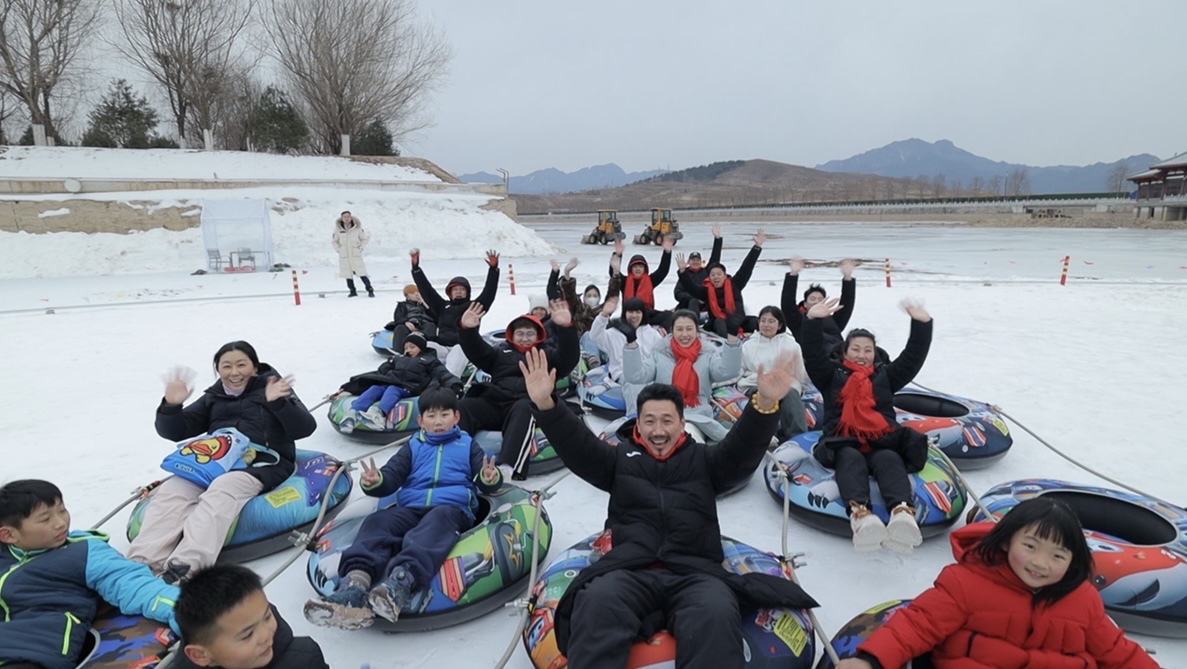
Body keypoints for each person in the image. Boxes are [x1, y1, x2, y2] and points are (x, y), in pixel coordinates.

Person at [520, 348, 818, 669]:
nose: (658, 430)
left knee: (715, 612)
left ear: (682, 423)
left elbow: (742, 450)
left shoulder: (704, 461)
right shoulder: (619, 461)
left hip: (695, 572)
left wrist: (765, 404)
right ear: (638, 423)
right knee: (597, 602)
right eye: (649, 421)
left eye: (667, 420)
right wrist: (547, 404)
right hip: (630, 570)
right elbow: (578, 446)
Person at [837, 497, 1161, 669]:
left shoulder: (1083, 599)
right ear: (1007, 541)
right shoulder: (967, 583)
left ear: (1073, 560)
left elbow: (1116, 651)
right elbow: (918, 625)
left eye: (1058, 555)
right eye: (1030, 546)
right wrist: (871, 660)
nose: (1041, 563)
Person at [303, 387, 503, 629]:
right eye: (431, 416)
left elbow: (484, 476)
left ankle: (400, 583)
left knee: (434, 526)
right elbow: (393, 474)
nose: (438, 422)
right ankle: (354, 587)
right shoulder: (413, 446)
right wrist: (376, 481)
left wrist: (489, 477)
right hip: (412, 507)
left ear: (456, 417)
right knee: (378, 522)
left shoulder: (467, 445)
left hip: (451, 508)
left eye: (444, 415)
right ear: (421, 420)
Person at [128, 341, 317, 581]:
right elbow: (177, 430)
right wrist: (171, 407)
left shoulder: (273, 389)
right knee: (174, 490)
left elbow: (304, 428)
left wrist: (277, 404)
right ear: (218, 369)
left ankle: (184, 570)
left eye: (241, 365)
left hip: (263, 464)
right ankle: (140, 564)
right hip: (216, 461)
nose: (234, 372)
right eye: (226, 366)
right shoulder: (214, 397)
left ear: (255, 367)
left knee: (223, 489)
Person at [0, 479, 181, 669]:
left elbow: (135, 585)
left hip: (30, 654)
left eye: (62, 510)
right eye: (45, 519)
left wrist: (186, 611)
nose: (61, 523)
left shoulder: (84, 553)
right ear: (8, 535)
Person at [803, 298, 932, 554]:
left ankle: (901, 513)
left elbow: (912, 358)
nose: (862, 355)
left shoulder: (885, 376)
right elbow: (813, 353)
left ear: (875, 353)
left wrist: (922, 324)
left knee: (889, 458)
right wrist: (812, 320)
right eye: (856, 349)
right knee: (850, 458)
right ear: (845, 352)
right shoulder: (830, 375)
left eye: (867, 350)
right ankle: (861, 515)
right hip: (843, 440)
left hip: (881, 439)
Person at [457, 300, 580, 479]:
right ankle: (456, 457)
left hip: (526, 404)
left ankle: (508, 468)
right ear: (511, 335)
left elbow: (568, 358)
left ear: (538, 335)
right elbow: (477, 351)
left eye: (530, 334)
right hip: (496, 402)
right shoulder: (500, 352)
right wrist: (467, 330)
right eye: (520, 333)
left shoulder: (547, 354)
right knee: (465, 406)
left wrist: (566, 328)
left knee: (526, 407)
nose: (524, 338)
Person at [175, 565, 329, 669]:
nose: (265, 636)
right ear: (200, 655)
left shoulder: (305, 659)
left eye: (267, 617)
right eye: (248, 635)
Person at [623, 309, 741, 442]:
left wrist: (732, 338)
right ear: (672, 331)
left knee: (686, 437)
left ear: (697, 331)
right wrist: (631, 343)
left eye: (689, 329)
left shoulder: (707, 355)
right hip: (663, 415)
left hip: (696, 416)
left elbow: (728, 371)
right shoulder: (659, 354)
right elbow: (635, 375)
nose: (684, 334)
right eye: (679, 329)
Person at [337, 333, 463, 431]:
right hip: (391, 382)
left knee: (392, 390)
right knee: (375, 387)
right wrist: (349, 386)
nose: (408, 350)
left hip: (411, 387)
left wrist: (455, 386)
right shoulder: (398, 359)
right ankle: (352, 414)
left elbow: (442, 373)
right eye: (406, 347)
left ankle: (379, 415)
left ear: (421, 348)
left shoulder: (429, 360)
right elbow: (378, 373)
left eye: (412, 347)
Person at [411, 247, 500, 377]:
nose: (458, 292)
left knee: (459, 350)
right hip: (443, 346)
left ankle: (449, 383)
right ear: (450, 292)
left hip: (463, 347)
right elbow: (427, 290)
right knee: (423, 345)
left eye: (462, 289)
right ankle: (414, 377)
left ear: (467, 292)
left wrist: (493, 271)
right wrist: (416, 270)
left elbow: (489, 292)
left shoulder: (474, 307)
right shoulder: (442, 306)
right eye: (455, 289)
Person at [675, 229, 765, 337]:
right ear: (709, 277)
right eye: (713, 275)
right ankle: (729, 342)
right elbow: (691, 287)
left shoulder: (735, 284)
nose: (716, 277)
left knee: (756, 322)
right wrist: (683, 272)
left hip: (738, 320)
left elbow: (746, 268)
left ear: (725, 275)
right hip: (718, 322)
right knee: (720, 322)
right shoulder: (706, 290)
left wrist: (757, 247)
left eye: (719, 274)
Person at [738, 306, 809, 442]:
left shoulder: (791, 344)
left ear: (780, 324)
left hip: (784, 384)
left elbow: (800, 373)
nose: (766, 325)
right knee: (766, 394)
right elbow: (737, 371)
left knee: (790, 393)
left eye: (771, 321)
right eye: (763, 321)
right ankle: (769, 437)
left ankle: (798, 439)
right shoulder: (748, 345)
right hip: (755, 383)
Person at [588, 294, 665, 413]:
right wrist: (604, 315)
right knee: (634, 383)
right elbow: (595, 336)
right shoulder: (614, 333)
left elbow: (662, 355)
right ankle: (635, 417)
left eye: (638, 312)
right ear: (625, 313)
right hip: (624, 375)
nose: (634, 316)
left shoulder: (652, 333)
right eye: (631, 312)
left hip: (647, 374)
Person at [782, 257, 857, 350]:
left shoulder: (833, 321)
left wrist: (847, 277)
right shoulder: (797, 322)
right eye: (812, 299)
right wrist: (793, 274)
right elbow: (787, 304)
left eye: (820, 299)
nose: (816, 302)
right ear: (805, 304)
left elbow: (846, 306)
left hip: (835, 355)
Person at [610, 236, 673, 328]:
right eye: (635, 267)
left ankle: (662, 332)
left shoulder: (651, 280)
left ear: (645, 268)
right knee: (612, 323)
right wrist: (617, 255)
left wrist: (667, 253)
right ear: (630, 269)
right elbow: (614, 273)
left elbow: (663, 270)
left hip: (647, 316)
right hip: (629, 316)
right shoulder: (624, 281)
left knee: (668, 316)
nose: (638, 269)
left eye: (640, 266)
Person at [673, 222, 723, 313]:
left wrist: (717, 239)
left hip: (706, 305)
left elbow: (715, 258)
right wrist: (692, 297)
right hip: (689, 306)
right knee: (693, 301)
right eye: (693, 260)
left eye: (697, 260)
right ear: (689, 262)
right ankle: (693, 319)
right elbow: (678, 293)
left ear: (701, 262)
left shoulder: (706, 272)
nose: (695, 262)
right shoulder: (685, 275)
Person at [332, 210, 373, 297]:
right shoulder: (338, 230)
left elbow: (364, 239)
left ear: (351, 217)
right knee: (348, 275)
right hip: (345, 256)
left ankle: (370, 290)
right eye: (344, 217)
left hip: (355, 255)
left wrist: (360, 248)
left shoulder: (357, 228)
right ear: (341, 218)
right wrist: (339, 250)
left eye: (348, 216)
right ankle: (352, 291)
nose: (346, 219)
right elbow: (334, 241)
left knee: (362, 273)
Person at [386, 284, 437, 351]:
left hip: (425, 325)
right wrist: (405, 322)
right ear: (407, 296)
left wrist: (425, 305)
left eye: (418, 292)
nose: (417, 294)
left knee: (431, 326)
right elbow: (398, 317)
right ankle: (399, 351)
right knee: (400, 328)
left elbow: (436, 317)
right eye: (413, 293)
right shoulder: (402, 305)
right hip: (410, 324)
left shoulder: (427, 304)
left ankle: (427, 349)